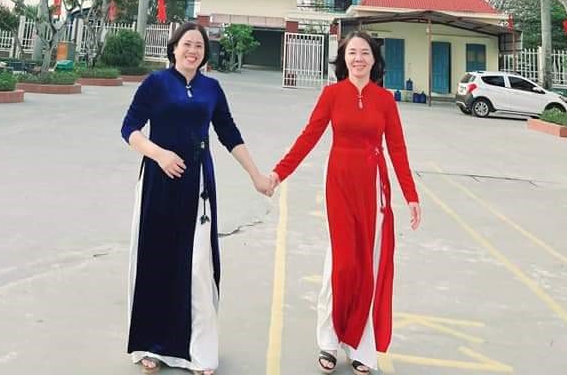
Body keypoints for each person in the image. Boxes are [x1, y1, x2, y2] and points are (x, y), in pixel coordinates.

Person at [121, 21, 272, 375]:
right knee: (155, 259)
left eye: (199, 46)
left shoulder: (211, 88)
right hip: (159, 182)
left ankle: (198, 351)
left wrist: (256, 175)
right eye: (187, 44)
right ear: (174, 48)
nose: (192, 51)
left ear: (205, 54)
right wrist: (159, 154)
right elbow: (129, 128)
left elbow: (229, 133)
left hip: (198, 184)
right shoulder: (156, 83)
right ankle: (151, 345)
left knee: (197, 265)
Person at [269, 31, 421, 374]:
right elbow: (308, 137)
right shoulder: (332, 95)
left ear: (374, 60)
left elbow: (397, 149)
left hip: (373, 188)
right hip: (339, 184)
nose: (358, 58)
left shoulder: (385, 100)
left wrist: (411, 195)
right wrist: (279, 173)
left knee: (368, 264)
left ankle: (360, 347)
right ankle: (329, 340)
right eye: (352, 52)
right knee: (341, 264)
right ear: (343, 59)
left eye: (365, 52)